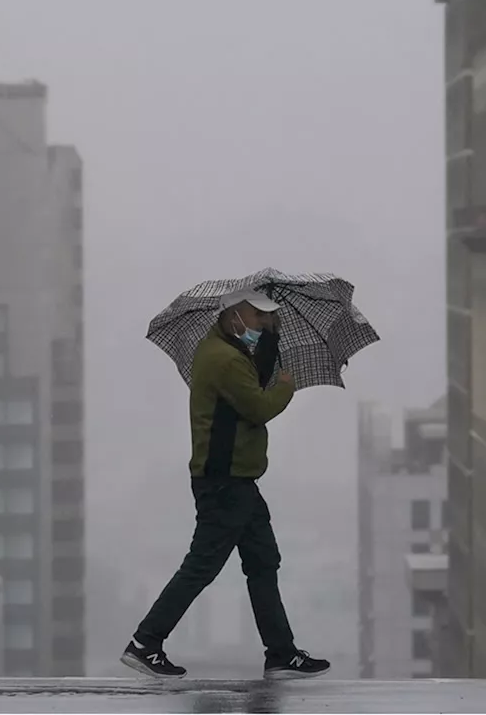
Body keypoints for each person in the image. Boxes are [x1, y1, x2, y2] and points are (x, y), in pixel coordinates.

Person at [121, 289, 331, 681]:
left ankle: (281, 653)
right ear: (234, 316)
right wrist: (286, 385)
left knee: (263, 560)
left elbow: (253, 382)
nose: (261, 324)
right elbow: (259, 406)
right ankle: (145, 642)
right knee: (202, 565)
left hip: (239, 481)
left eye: (267, 318)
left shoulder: (231, 353)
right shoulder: (223, 359)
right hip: (224, 482)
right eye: (257, 317)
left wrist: (271, 338)